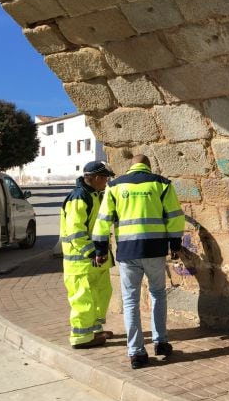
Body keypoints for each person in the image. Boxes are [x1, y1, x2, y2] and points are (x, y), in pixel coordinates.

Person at [92, 155, 185, 369]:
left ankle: (136, 353)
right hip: (154, 250)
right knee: (158, 294)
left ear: (131, 167)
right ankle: (161, 342)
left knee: (130, 301)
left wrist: (100, 249)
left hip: (127, 251)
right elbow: (174, 216)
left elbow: (103, 219)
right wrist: (175, 245)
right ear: (148, 167)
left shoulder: (114, 186)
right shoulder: (161, 183)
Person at [60, 161, 115, 349]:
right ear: (97, 178)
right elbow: (75, 231)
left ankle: (95, 330)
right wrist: (91, 252)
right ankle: (81, 337)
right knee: (82, 300)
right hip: (81, 262)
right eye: (106, 178)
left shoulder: (95, 195)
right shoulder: (79, 197)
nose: (107, 182)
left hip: (94, 260)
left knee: (101, 295)